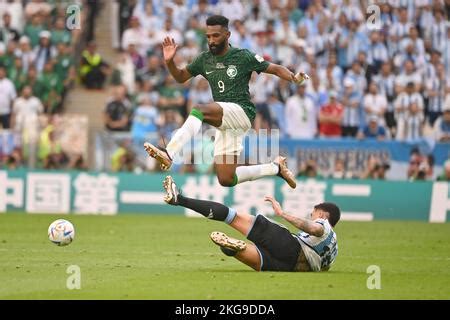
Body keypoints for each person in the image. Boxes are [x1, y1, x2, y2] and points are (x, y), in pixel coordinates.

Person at [144, 15, 309, 189]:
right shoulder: (204, 59)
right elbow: (180, 77)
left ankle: (170, 152)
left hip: (242, 112)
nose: (211, 40)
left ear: (227, 35)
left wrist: (293, 78)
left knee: (199, 110)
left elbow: (274, 68)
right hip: (224, 121)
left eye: (216, 36)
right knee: (226, 178)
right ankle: (275, 168)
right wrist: (169, 62)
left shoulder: (242, 56)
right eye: (208, 36)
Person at [162, 175, 340, 272]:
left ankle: (180, 199)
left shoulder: (323, 224)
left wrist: (282, 213)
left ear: (323, 214)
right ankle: (236, 250)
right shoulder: (334, 250)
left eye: (313, 212)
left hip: (291, 246)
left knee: (233, 217)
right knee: (260, 260)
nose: (311, 215)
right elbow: (322, 268)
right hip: (294, 267)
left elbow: (314, 228)